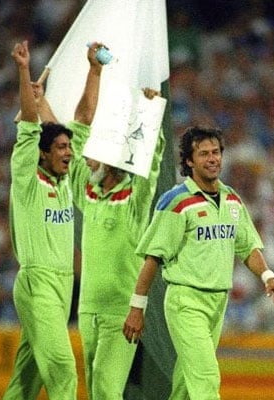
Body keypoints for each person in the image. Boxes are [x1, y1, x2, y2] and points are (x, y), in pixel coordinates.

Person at [122, 126, 274, 399]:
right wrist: (137, 308)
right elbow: (153, 258)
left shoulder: (232, 199)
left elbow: (247, 247)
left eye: (216, 152)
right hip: (186, 300)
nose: (212, 159)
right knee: (207, 378)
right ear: (188, 161)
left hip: (218, 301)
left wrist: (268, 275)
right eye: (204, 154)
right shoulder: (176, 202)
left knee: (187, 384)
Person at [69, 44, 166, 399]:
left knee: (107, 392)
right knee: (96, 391)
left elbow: (151, 168)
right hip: (88, 310)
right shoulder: (88, 191)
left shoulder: (135, 201)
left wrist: (149, 112)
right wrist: (94, 72)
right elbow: (79, 127)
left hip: (120, 313)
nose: (92, 156)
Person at [3, 40, 79, 400]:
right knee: (63, 369)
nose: (68, 153)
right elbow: (33, 130)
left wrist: (41, 99)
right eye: (61, 149)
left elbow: (52, 127)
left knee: (27, 378)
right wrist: (23, 72)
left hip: (63, 285)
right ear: (43, 155)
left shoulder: (65, 182)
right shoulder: (27, 179)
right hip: (38, 282)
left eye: (69, 147)